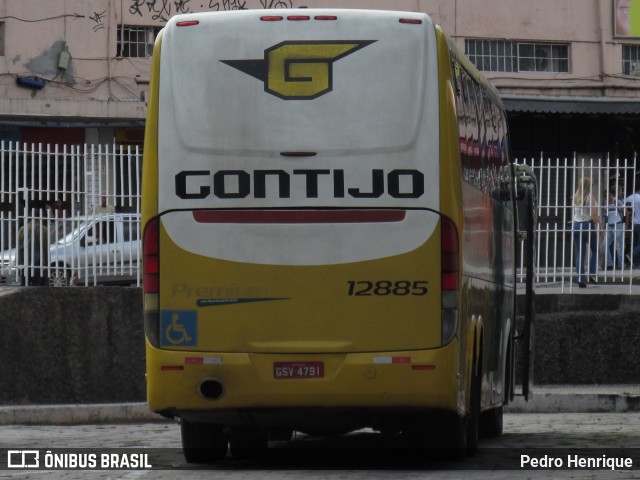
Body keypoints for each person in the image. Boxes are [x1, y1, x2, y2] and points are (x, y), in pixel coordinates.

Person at [572, 178, 601, 288]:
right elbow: (594, 215)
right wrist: (601, 228)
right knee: (595, 249)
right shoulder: (590, 197)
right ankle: (593, 274)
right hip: (587, 225)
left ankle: (580, 278)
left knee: (581, 253)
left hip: (576, 225)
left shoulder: (575, 197)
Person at [17, 217, 50, 286]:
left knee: (24, 285)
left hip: (25, 263)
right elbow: (45, 248)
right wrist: (46, 264)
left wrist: (19, 262)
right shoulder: (43, 230)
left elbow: (19, 246)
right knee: (37, 288)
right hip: (38, 264)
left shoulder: (22, 229)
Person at [604, 188, 625, 270]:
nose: (607, 197)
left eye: (608, 195)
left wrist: (625, 225)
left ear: (612, 195)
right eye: (605, 196)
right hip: (609, 226)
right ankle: (610, 263)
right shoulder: (605, 204)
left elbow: (625, 211)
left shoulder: (618, 202)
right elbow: (605, 217)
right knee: (605, 245)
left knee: (619, 246)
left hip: (618, 225)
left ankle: (620, 265)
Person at [626, 183, 640, 267]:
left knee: (635, 243)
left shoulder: (628, 198)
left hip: (632, 223)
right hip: (639, 222)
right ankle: (631, 254)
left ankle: (635, 263)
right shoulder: (639, 198)